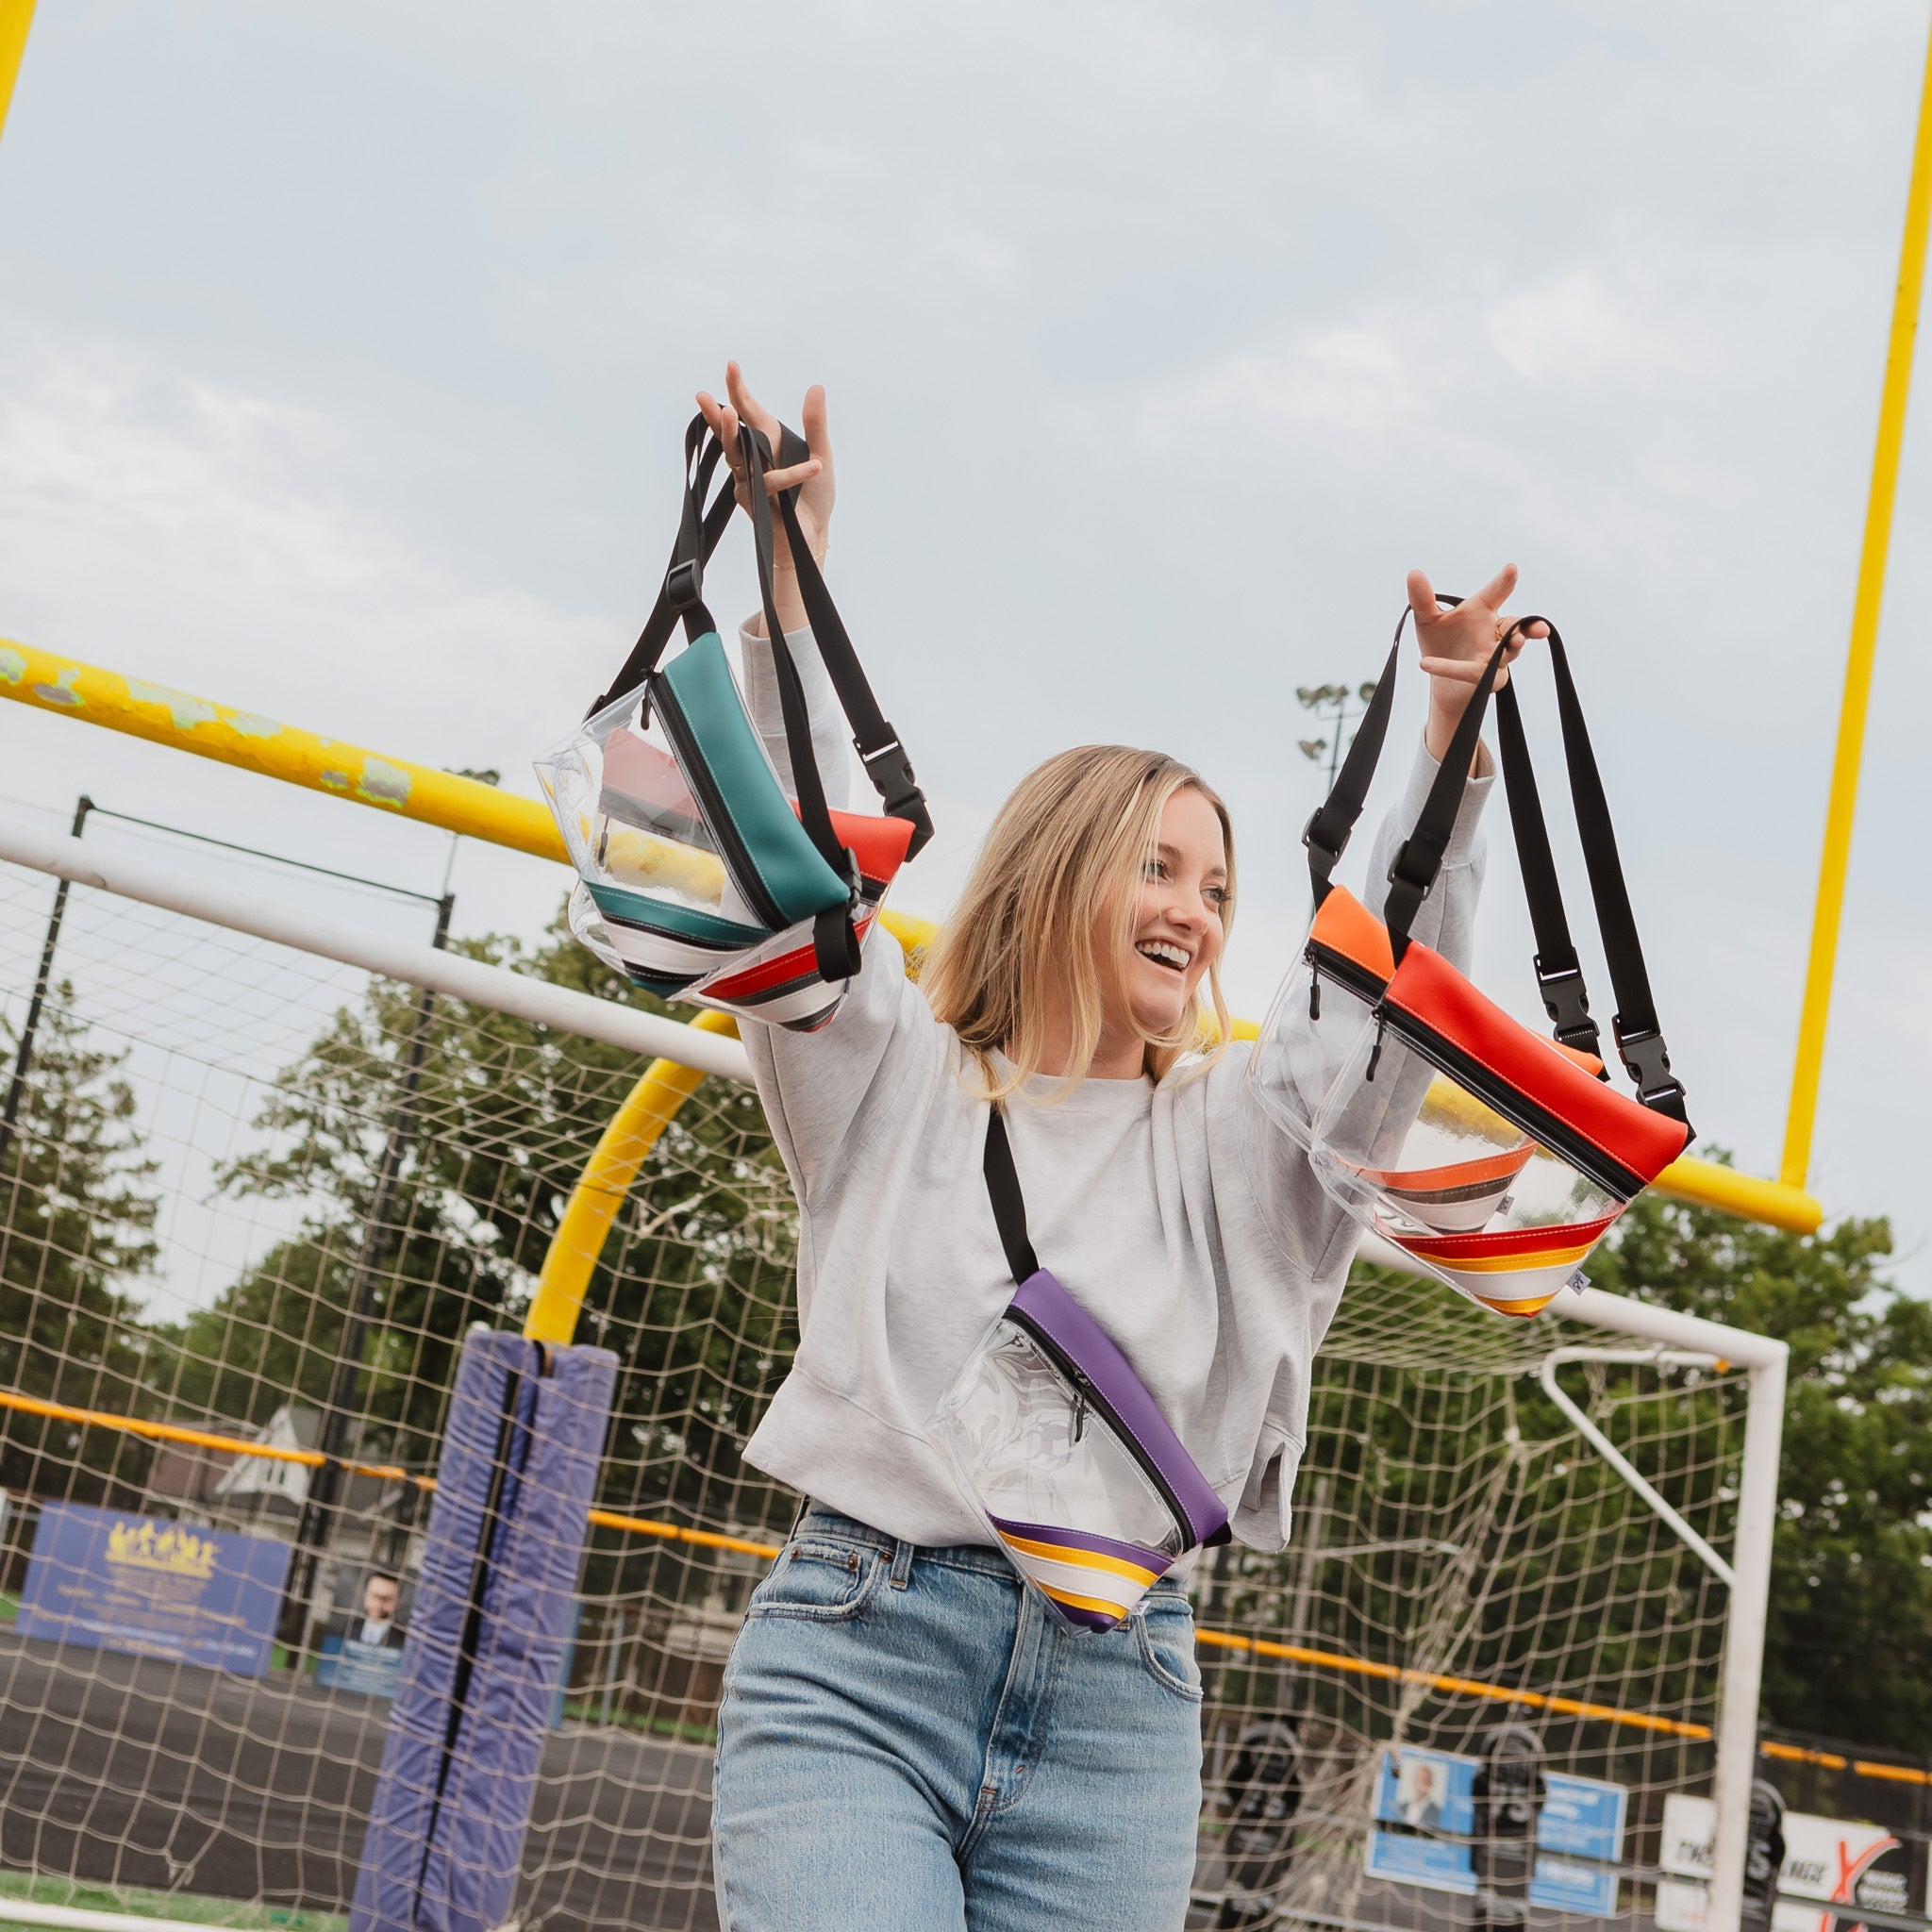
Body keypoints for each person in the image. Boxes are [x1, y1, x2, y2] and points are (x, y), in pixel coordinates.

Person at [694, 363, 1538, 1932]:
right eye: (1155, 868)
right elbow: (793, 874)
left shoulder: (1247, 1136)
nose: (1193, 912)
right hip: (861, 1656)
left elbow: (1378, 1027)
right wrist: (790, 586)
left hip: (1118, 1704)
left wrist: (1445, 749)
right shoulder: (890, 1073)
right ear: (1053, 873)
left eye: (1214, 888)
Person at [350, 1570, 405, 1650]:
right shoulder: (350, 1626)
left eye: (387, 1599)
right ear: (366, 1595)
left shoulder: (404, 1638)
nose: (379, 1604)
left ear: (398, 1601)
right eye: (375, 1596)